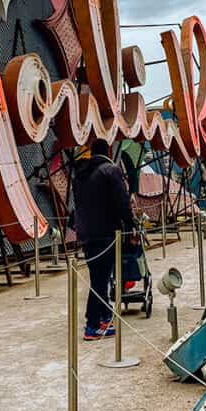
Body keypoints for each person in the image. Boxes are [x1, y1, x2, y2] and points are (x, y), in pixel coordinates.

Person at [73, 139, 135, 341]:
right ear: (108, 150)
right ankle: (92, 324)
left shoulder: (80, 175)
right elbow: (122, 201)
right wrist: (130, 224)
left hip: (86, 233)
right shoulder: (110, 170)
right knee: (101, 280)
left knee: (97, 277)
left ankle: (103, 316)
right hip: (107, 231)